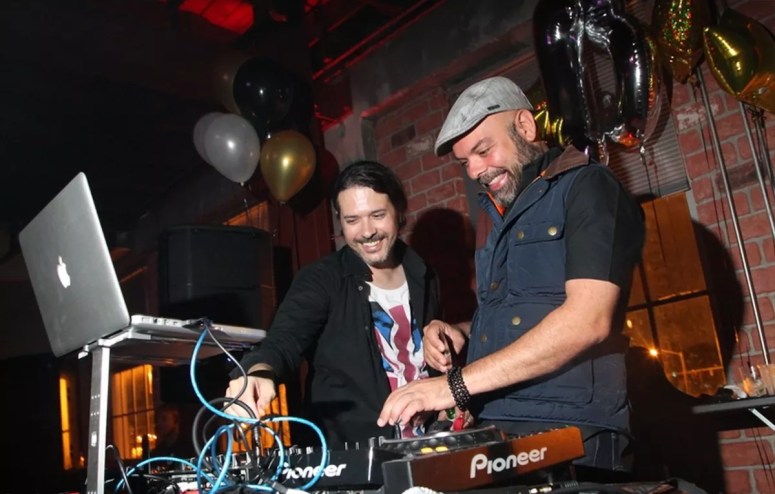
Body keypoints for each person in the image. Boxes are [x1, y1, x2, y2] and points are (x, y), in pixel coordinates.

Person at [378, 76, 645, 478]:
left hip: (574, 437)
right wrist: (460, 331)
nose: (475, 171)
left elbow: (588, 320)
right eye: (465, 162)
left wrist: (453, 386)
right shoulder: (503, 215)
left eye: (483, 150)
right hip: (499, 426)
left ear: (525, 126)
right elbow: (519, 313)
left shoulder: (589, 187)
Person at [225, 160, 441, 448]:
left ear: (399, 211)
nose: (367, 231)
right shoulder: (322, 278)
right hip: (352, 454)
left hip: (426, 444)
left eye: (377, 215)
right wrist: (258, 372)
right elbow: (283, 341)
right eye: (352, 220)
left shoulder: (422, 272)